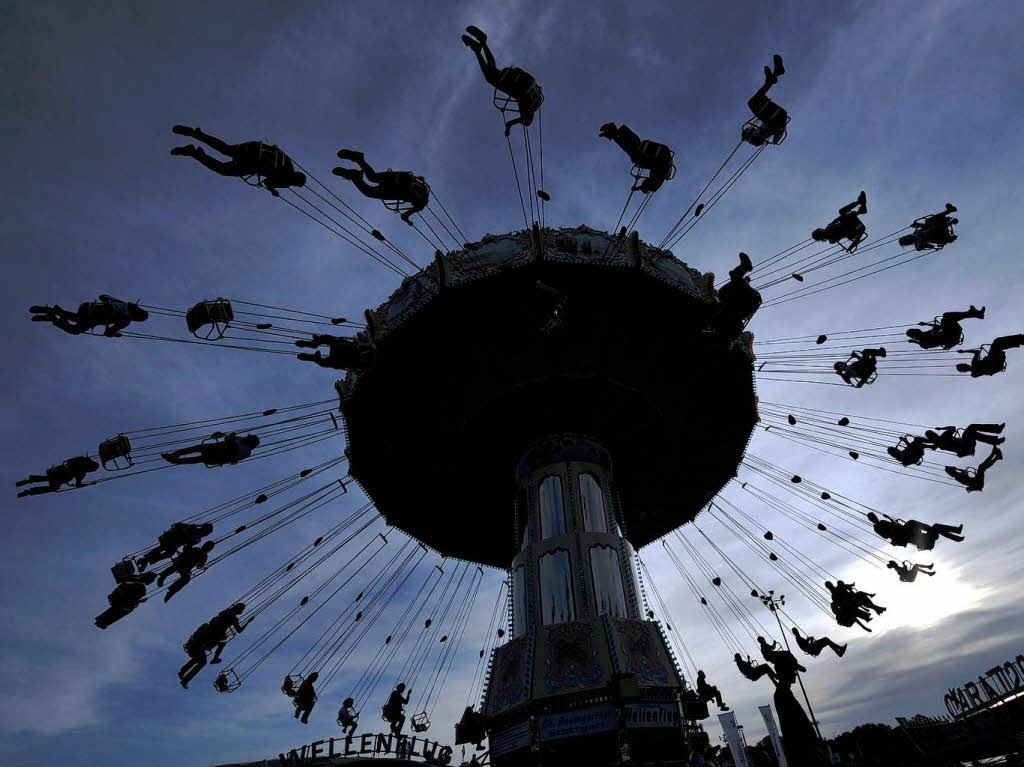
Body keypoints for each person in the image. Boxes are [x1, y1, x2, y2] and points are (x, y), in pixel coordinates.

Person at [169, 125, 305, 197]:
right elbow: (268, 182)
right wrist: (272, 191)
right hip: (252, 162)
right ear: (295, 182)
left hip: (252, 148)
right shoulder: (287, 181)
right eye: (296, 184)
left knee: (225, 149)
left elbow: (275, 149)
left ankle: (198, 135)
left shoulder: (288, 163)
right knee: (222, 169)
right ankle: (193, 152)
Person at [461, 25, 543, 136]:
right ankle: (480, 46)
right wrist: (508, 128)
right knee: (490, 78)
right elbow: (518, 121)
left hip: (512, 76)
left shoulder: (531, 99)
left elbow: (513, 122)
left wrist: (508, 127)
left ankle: (478, 48)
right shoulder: (526, 106)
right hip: (511, 83)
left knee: (492, 72)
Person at [332, 150, 429, 225]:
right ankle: (355, 174)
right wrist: (408, 221)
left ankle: (358, 162)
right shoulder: (420, 204)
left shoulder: (422, 195)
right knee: (369, 190)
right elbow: (404, 216)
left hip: (399, 181)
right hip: (398, 188)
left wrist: (416, 179)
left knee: (372, 178)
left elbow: (405, 215)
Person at [178, 603, 249, 688]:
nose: (242, 612)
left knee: (200, 657)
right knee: (203, 661)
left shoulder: (224, 612)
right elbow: (239, 630)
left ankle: (183, 671)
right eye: (242, 610)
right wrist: (248, 621)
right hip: (203, 642)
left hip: (198, 641)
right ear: (239, 610)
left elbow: (219, 617)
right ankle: (185, 679)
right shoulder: (233, 618)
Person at [598, 123, 675, 193]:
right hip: (653, 155)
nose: (644, 181)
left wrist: (638, 188)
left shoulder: (660, 173)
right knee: (634, 152)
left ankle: (612, 130)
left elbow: (647, 185)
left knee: (637, 145)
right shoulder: (656, 181)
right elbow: (647, 186)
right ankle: (612, 131)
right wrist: (637, 188)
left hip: (655, 152)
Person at [30, 295, 149, 337]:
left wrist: (117, 302)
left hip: (87, 307)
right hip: (92, 318)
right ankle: (52, 317)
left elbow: (102, 296)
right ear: (136, 318)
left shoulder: (123, 304)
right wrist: (114, 333)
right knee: (75, 330)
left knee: (77, 318)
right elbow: (107, 333)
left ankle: (51, 311)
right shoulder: (126, 320)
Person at [742, 54, 788, 146]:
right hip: (776, 120)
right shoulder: (758, 137)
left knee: (755, 100)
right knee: (752, 103)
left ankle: (773, 76)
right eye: (751, 131)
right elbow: (758, 142)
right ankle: (770, 80)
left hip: (776, 116)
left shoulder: (761, 130)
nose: (753, 130)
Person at [137, 522, 215, 571]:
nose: (204, 534)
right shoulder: (193, 528)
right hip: (170, 538)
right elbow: (178, 525)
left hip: (174, 544)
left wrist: (188, 552)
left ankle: (146, 560)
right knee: (163, 546)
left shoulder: (197, 539)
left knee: (169, 553)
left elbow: (187, 547)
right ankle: (145, 559)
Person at [716, 252, 762, 335]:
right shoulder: (734, 320)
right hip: (744, 302)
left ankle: (741, 270)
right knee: (734, 284)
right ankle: (740, 271)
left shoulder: (724, 314)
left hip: (742, 303)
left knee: (727, 289)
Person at [866, 512, 964, 550]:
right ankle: (956, 535)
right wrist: (894, 527)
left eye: (874, 516)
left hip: (919, 537)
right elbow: (886, 536)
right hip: (917, 540)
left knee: (936, 527)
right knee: (911, 522)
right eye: (872, 517)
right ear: (871, 520)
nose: (875, 518)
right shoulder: (876, 528)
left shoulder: (883, 521)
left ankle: (957, 533)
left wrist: (893, 522)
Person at [16, 455, 99, 498]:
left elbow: (68, 461)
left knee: (48, 478)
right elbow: (78, 485)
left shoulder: (82, 460)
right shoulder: (81, 473)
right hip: (62, 476)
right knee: (53, 487)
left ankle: (29, 481)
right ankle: (30, 491)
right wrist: (90, 484)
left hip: (59, 471)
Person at [906, 306, 985, 350]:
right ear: (914, 334)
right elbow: (926, 346)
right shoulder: (922, 340)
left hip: (951, 333)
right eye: (914, 330)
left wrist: (926, 324)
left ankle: (975, 313)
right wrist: (915, 341)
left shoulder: (925, 334)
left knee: (946, 316)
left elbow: (938, 327)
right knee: (946, 317)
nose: (916, 329)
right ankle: (973, 313)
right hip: (950, 337)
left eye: (914, 329)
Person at [161, 433, 259, 466]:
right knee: (195, 453)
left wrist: (230, 438)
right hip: (216, 450)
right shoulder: (240, 439)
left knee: (195, 454)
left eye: (248, 438)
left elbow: (236, 459)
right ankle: (174, 457)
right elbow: (227, 439)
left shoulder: (246, 450)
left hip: (218, 453)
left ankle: (174, 458)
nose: (246, 437)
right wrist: (230, 436)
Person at [295, 331, 374, 371]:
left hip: (349, 358)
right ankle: (318, 343)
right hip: (351, 355)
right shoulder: (363, 347)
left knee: (331, 358)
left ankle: (315, 355)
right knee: (335, 343)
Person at [957, 334, 1024, 377]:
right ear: (964, 370)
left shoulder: (974, 363)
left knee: (998, 342)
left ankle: (1020, 339)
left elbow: (976, 352)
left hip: (992, 359)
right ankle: (1020, 339)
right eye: (963, 366)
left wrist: (964, 351)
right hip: (993, 363)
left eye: (963, 364)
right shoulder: (974, 373)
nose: (965, 364)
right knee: (997, 342)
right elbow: (982, 371)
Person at [924, 422, 1004, 457]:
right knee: (972, 428)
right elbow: (953, 428)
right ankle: (996, 431)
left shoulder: (938, 444)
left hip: (967, 447)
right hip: (966, 445)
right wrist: (941, 428)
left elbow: (932, 447)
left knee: (973, 433)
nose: (934, 434)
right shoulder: (942, 437)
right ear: (934, 434)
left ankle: (995, 440)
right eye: (932, 433)